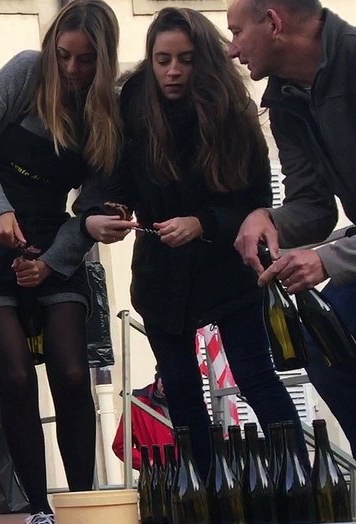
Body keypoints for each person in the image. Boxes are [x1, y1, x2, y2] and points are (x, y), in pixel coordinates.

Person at [0, 0, 120, 524]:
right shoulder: (23, 71)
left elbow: (91, 205)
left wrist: (55, 260)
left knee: (69, 370)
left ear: (104, 60)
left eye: (86, 60)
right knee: (14, 376)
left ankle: (83, 506)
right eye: (63, 55)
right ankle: (39, 511)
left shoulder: (108, 116)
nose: (71, 70)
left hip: (54, 241)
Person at [87, 7, 301, 474]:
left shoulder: (231, 110)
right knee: (181, 390)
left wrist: (203, 223)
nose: (173, 71)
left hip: (229, 261)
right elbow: (110, 178)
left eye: (184, 59)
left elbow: (260, 203)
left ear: (202, 59)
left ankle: (298, 487)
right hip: (160, 269)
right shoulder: (132, 104)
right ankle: (206, 497)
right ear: (150, 58)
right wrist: (108, 212)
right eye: (163, 59)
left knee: (255, 375)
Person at [228, 0, 356, 446]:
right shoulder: (283, 99)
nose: (231, 50)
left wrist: (329, 261)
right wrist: (269, 218)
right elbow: (314, 207)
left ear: (274, 23)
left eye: (237, 32)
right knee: (328, 345)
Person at [112, 375, 173, 470]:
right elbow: (121, 446)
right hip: (156, 477)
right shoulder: (137, 404)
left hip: (186, 474)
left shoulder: (190, 403)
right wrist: (148, 463)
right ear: (158, 378)